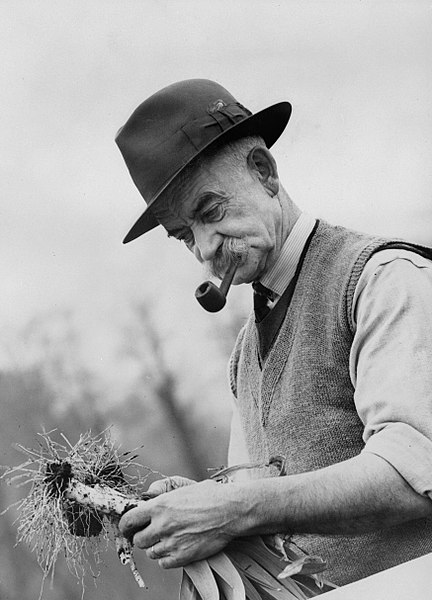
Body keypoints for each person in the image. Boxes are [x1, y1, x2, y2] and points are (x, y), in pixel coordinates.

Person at [115, 79, 432, 586]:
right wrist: (201, 508)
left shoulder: (381, 279)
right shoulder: (245, 356)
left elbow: (416, 474)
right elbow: (263, 514)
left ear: (263, 172)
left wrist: (231, 507)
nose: (204, 249)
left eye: (210, 212)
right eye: (183, 235)